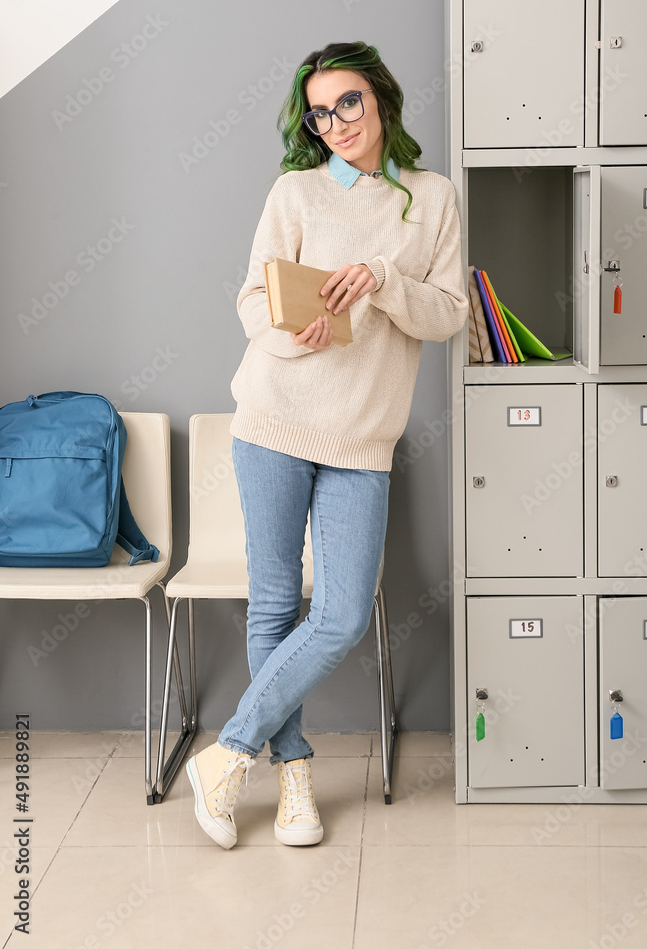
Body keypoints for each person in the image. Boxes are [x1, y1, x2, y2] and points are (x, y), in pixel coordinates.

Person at [186, 41, 468, 849]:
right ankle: (294, 773)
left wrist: (381, 279)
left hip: (361, 433)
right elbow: (250, 299)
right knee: (275, 604)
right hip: (274, 415)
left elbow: (448, 314)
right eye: (319, 111)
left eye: (348, 103)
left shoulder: (430, 197)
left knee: (340, 612)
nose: (335, 122)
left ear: (381, 100)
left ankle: (229, 751)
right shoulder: (295, 190)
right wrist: (297, 335)